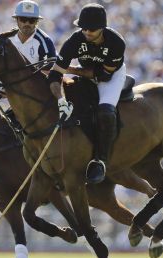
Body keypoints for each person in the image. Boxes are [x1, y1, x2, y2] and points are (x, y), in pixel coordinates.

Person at [48, 3, 126, 184]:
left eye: (92, 29)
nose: (87, 32)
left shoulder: (116, 43)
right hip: (85, 72)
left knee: (105, 111)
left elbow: (104, 76)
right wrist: (60, 99)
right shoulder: (74, 40)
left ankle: (101, 161)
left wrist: (73, 71)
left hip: (111, 76)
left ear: (102, 28)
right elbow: (55, 74)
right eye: (84, 28)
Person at [9, 0, 56, 72]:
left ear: (37, 21)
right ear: (17, 20)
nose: (27, 23)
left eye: (32, 20)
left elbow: (53, 67)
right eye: (23, 19)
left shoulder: (45, 41)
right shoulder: (7, 39)